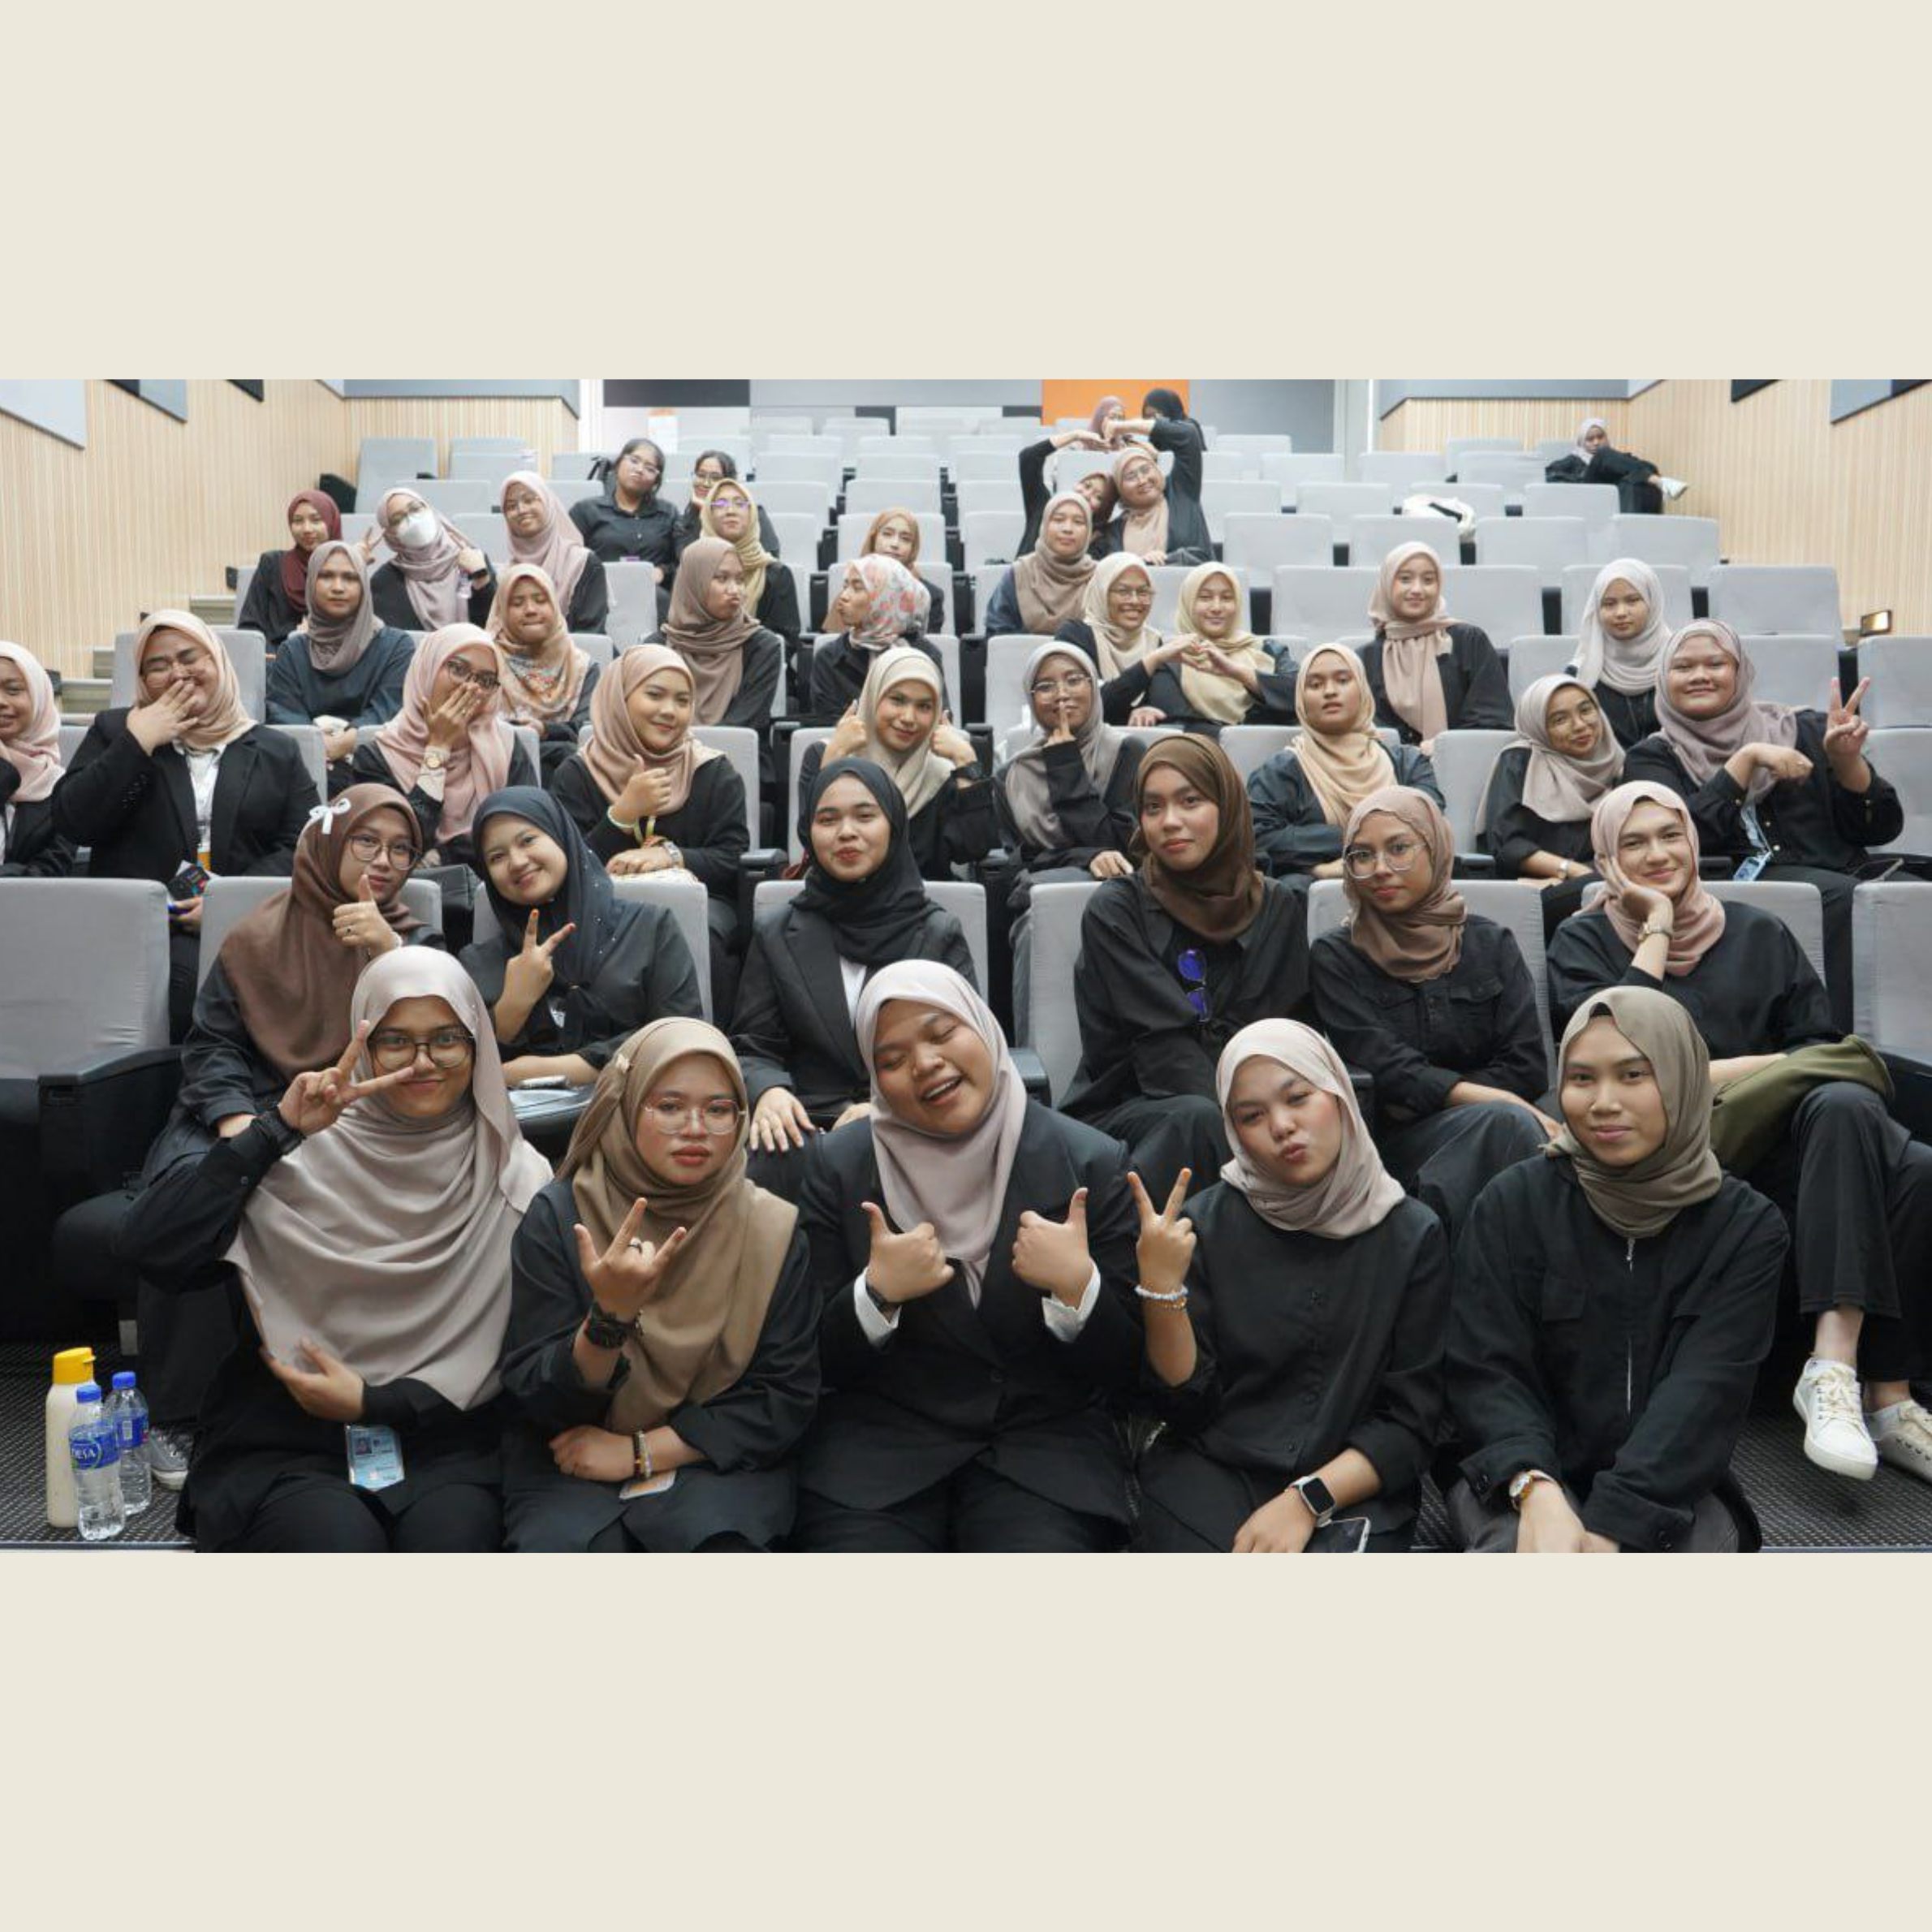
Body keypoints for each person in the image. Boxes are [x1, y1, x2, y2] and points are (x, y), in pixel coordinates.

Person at [1546, 782, 1932, 1488]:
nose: (1658, 854)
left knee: (1863, 1120)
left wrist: (1708, 1071)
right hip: (1664, 1152)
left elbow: (1820, 1054)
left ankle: (1844, 1371)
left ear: (1695, 841)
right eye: (1634, 843)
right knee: (1881, 1145)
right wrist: (1657, 927)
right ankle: (1884, 1391)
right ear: (1606, 859)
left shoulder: (1758, 932)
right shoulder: (1582, 940)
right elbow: (1621, 1059)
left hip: (1784, 1143)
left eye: (1671, 835)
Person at [116, 949, 550, 1550]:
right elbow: (147, 1247)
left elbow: (528, 1357)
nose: (423, 1062)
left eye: (447, 1039)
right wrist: (274, 1131)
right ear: (363, 1044)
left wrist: (376, 1401)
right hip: (294, 1440)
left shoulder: (515, 1177)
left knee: (449, 1541)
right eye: (395, 1041)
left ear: (478, 1047)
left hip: (450, 1441)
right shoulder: (298, 1154)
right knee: (335, 1541)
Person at [94, 786, 431, 1473]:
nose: (385, 861)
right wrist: (245, 1125)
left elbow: (442, 1045)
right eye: (367, 842)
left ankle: (363, 1402)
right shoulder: (258, 936)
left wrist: (393, 955)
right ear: (328, 846)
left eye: (402, 850)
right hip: (244, 1106)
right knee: (201, 1194)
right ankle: (180, 1413)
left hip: (363, 1115)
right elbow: (211, 1047)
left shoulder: (417, 941)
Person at [791, 962, 1143, 1551]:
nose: (925, 1063)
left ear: (984, 1027)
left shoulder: (1091, 1161)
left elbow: (1130, 1372)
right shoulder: (840, 1166)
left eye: (941, 1032)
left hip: (1041, 1454)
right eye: (892, 1059)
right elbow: (811, 1360)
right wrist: (874, 1296)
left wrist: (1079, 1290)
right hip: (882, 1454)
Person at [1447, 987, 1786, 1551]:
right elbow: (1487, 1368)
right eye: (1582, 1079)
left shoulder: (1744, 1226)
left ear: (1681, 1078)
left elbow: (1705, 1392)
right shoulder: (1512, 1202)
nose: (1604, 1102)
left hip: (1672, 1487)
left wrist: (1613, 1527)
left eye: (1633, 1076)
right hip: (1519, 1477)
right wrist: (1536, 1487)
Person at [499, 1018, 820, 1551]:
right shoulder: (562, 1214)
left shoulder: (769, 1229)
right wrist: (608, 1321)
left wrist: (642, 1453)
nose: (695, 1128)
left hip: (715, 1461)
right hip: (571, 1454)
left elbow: (784, 1396)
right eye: (669, 1106)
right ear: (626, 1107)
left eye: (719, 1109)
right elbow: (536, 1397)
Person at [1134, 1022, 1448, 1553]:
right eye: (1251, 1116)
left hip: (1352, 1482)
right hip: (1213, 1470)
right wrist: (1161, 1291)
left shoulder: (1413, 1234)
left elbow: (1413, 1421)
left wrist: (1308, 1499)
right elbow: (1186, 1409)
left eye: (1299, 1098)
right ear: (1233, 1132)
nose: (1282, 1126)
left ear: (1340, 1096)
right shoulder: (1203, 1226)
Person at [1061, 735, 1313, 1203]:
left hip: (1255, 1104)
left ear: (1227, 805)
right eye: (1153, 807)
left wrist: (1265, 1113)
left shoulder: (1277, 905)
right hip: (1135, 1106)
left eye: (1190, 801)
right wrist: (1244, 1123)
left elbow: (1281, 1035)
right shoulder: (1117, 909)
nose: (1170, 821)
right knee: (1197, 1119)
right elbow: (1161, 1046)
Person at [1623, 622, 1898, 1030]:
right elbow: (1685, 839)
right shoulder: (1652, 757)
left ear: (1740, 671)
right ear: (1664, 679)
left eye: (1716, 664)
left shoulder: (1802, 729)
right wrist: (1746, 760)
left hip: (1838, 870)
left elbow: (1881, 829)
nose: (1700, 675)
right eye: (1683, 667)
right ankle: (1836, 1038)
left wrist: (1847, 763)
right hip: (1733, 881)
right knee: (1841, 895)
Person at [53, 611, 316, 1038]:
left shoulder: (275, 749)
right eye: (157, 666)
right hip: (140, 930)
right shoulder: (116, 731)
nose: (177, 673)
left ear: (217, 660)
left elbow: (303, 844)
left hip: (248, 922)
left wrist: (226, 901)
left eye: (190, 657)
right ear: (142, 679)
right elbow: (75, 822)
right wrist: (138, 743)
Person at [1309, 787, 1551, 1237]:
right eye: (1362, 855)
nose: (1381, 868)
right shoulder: (1337, 957)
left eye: (1399, 848)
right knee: (1507, 1125)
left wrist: (1430, 1095)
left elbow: (1528, 1066)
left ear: (1436, 849)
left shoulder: (1491, 942)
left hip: (1501, 1127)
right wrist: (1494, 1098)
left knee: (1506, 1127)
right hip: (1398, 1146)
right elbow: (1386, 1068)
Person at [735, 760, 978, 1200]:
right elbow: (755, 1047)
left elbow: (963, 1050)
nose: (846, 832)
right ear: (809, 833)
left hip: (916, 1112)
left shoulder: (938, 933)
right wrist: (768, 1090)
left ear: (894, 826)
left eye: (865, 816)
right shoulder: (777, 932)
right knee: (771, 1155)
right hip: (808, 1122)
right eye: (828, 820)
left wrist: (882, 1106)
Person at [463, 787, 703, 1091]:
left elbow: (681, 1038)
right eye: (497, 857)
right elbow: (459, 1070)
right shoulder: (478, 962)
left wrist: (556, 1069)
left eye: (527, 840)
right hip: (515, 1121)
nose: (517, 861)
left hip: (635, 1111)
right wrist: (512, 1007)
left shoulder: (649, 928)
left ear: (561, 836)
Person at [550, 645, 749, 1005]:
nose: (670, 711)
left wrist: (671, 856)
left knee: (706, 937)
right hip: (600, 909)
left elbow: (733, 859)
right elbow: (566, 867)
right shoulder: (577, 773)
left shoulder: (713, 771)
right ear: (620, 698)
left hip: (702, 906)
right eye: (655, 695)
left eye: (683, 700)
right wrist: (622, 814)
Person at [798, 646, 995, 881]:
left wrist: (966, 761)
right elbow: (811, 839)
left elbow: (974, 849)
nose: (908, 718)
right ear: (873, 698)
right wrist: (835, 759)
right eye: (897, 700)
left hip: (920, 899)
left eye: (924, 706)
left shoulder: (944, 771)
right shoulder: (824, 754)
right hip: (841, 898)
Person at [348, 624, 536, 870]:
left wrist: (443, 856)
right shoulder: (378, 757)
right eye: (458, 669)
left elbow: (525, 834)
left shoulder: (507, 748)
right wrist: (438, 747)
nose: (470, 688)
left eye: (486, 680)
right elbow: (402, 846)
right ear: (427, 669)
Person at [1248, 644, 1439, 878]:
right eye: (1315, 685)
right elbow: (1260, 839)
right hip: (1311, 889)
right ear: (1301, 699)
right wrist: (1318, 872)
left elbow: (1428, 822)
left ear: (1363, 691)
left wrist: (1336, 839)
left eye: (1342, 680)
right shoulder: (1280, 771)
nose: (1330, 691)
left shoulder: (1409, 763)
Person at [264, 540, 416, 794]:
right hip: (307, 766)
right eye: (326, 576)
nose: (338, 587)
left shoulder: (397, 646)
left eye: (350, 578)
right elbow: (283, 713)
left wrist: (340, 745)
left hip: (375, 766)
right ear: (311, 583)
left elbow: (389, 712)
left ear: (364, 586)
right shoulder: (293, 650)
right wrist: (317, 747)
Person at [1478, 673, 1622, 934]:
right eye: (1559, 720)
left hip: (1607, 885)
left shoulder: (1618, 764)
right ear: (1538, 726)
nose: (1580, 725)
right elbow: (1507, 844)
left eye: (1586, 710)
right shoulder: (1520, 759)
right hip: (1541, 891)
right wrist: (1573, 871)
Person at [1357, 541, 1512, 749]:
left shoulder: (1470, 641)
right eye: (1405, 579)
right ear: (1386, 584)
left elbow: (1492, 720)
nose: (1417, 589)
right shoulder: (1364, 659)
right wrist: (1412, 756)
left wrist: (1443, 748)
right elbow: (1364, 731)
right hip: (1391, 765)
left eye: (1428, 580)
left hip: (1463, 761)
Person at [1132, 563, 1296, 730]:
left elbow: (1300, 696)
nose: (1217, 608)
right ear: (1188, 603)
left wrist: (1236, 671)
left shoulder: (1267, 650)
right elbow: (1176, 720)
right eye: (1205, 598)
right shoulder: (1170, 657)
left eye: (1227, 598)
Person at [485, 563, 599, 784]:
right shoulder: (485, 660)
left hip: (568, 775)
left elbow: (588, 730)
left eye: (540, 600)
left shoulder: (582, 667)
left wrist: (545, 730)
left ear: (554, 606)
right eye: (517, 603)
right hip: (498, 767)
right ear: (502, 611)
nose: (530, 610)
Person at [658, 536, 783, 735]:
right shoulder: (658, 647)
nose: (735, 591)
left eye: (740, 580)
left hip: (734, 751)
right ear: (693, 582)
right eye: (721, 578)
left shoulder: (761, 646)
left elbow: (744, 722)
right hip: (667, 750)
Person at [1050, 553, 1188, 727]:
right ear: (1102, 592)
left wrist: (1147, 711)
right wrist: (1150, 662)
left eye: (1143, 592)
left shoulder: (1154, 640)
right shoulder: (1074, 635)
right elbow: (1087, 705)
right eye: (1123, 592)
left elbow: (1162, 707)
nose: (1135, 601)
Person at [809, 554, 944, 719]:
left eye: (857, 588)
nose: (843, 596)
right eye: (845, 586)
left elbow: (939, 720)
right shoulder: (829, 658)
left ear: (886, 597)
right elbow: (829, 727)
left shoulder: (925, 655)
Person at [675, 477, 800, 646]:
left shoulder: (776, 574)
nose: (730, 511)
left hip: (756, 660)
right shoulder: (692, 569)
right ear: (708, 515)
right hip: (696, 656)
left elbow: (785, 643)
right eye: (720, 504)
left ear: (752, 514)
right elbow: (680, 628)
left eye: (740, 504)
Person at [364, 486, 498, 632]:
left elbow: (496, 626)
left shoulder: (473, 559)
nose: (412, 520)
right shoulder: (384, 582)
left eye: (416, 509)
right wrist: (357, 565)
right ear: (390, 535)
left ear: (430, 510)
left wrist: (482, 579)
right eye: (398, 520)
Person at [1572, 558, 1672, 748]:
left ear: (1652, 602)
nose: (1620, 612)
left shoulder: (1680, 663)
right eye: (1609, 604)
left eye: (1632, 600)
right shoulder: (1579, 674)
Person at [1096, 406, 1210, 564]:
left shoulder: (1182, 491)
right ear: (1121, 490)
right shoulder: (1114, 532)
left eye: (1146, 470)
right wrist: (1143, 562)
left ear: (1157, 470)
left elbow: (1188, 434)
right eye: (1131, 477)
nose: (1142, 480)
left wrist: (1122, 426)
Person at [499, 471, 609, 635]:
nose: (521, 510)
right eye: (511, 506)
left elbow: (590, 634)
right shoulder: (505, 574)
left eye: (529, 500)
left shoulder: (582, 563)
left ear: (548, 503)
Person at [0, 640, 75, 876]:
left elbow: (53, 869)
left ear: (39, 698)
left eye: (13, 690)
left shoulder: (62, 789)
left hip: (28, 899)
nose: (1, 701)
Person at [981, 492, 1098, 639]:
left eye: (1078, 522)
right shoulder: (1019, 573)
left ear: (1089, 531)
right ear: (1045, 525)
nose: (1068, 528)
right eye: (1059, 520)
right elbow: (997, 635)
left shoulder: (1100, 577)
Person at [236, 489, 341, 648]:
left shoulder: (345, 570)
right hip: (275, 656)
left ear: (331, 522)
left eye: (316, 520)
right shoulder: (272, 564)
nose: (306, 529)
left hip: (332, 656)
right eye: (298, 521)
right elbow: (249, 626)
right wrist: (277, 658)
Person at [570, 438, 679, 584]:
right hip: (599, 591)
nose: (639, 470)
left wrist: (663, 572)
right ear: (618, 464)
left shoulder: (668, 514)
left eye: (649, 468)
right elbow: (568, 559)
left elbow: (682, 562)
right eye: (634, 461)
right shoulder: (586, 510)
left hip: (652, 592)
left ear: (656, 480)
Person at [1542, 416, 1687, 514]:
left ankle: (1631, 528)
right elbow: (1548, 475)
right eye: (1590, 439)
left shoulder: (1618, 458)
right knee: (1603, 454)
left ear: (1606, 437)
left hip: (1616, 495)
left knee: (1635, 478)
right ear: (1582, 442)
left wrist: (1636, 473)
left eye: (1600, 437)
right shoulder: (1572, 460)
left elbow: (1650, 467)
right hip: (1590, 491)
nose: (1596, 442)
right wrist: (1578, 479)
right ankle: (1661, 483)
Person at [1017, 427, 1116, 557]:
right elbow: (1029, 458)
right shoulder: (1044, 507)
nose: (1087, 495)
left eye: (1098, 497)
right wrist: (1075, 435)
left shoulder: (1100, 540)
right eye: (1087, 486)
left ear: (1104, 509)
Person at [674, 450, 783, 562]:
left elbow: (771, 557)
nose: (706, 483)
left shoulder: (753, 514)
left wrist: (708, 512)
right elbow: (689, 562)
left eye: (715, 478)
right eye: (701, 475)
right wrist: (706, 514)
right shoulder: (683, 524)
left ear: (729, 483)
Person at [856, 507, 947, 636]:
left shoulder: (930, 595)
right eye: (887, 534)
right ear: (874, 538)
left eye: (905, 539)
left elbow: (927, 644)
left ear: (913, 548)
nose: (895, 544)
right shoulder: (853, 586)